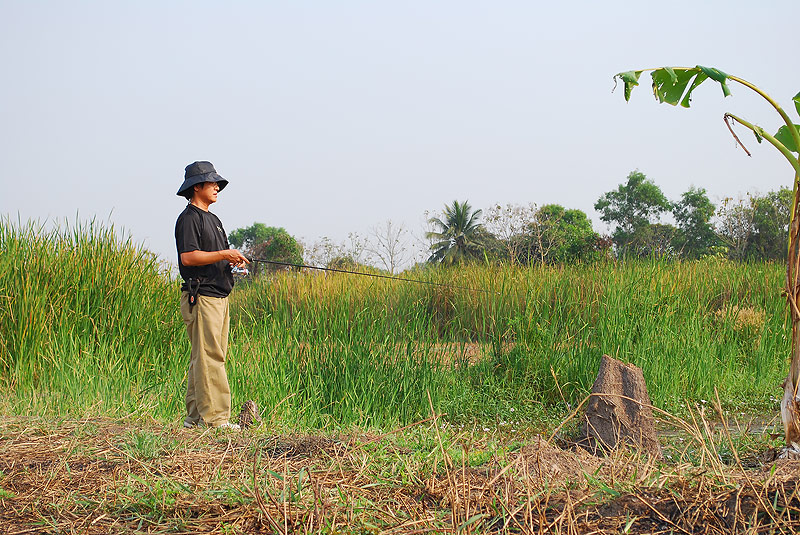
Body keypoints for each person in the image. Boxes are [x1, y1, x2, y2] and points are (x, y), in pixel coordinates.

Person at [175, 161, 249, 430]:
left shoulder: (214, 220)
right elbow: (189, 257)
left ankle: (194, 419)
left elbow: (214, 257)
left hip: (220, 296)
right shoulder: (189, 218)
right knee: (211, 357)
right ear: (197, 187)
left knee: (205, 357)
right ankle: (217, 419)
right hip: (202, 296)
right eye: (212, 183)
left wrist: (232, 262)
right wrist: (224, 254)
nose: (217, 187)